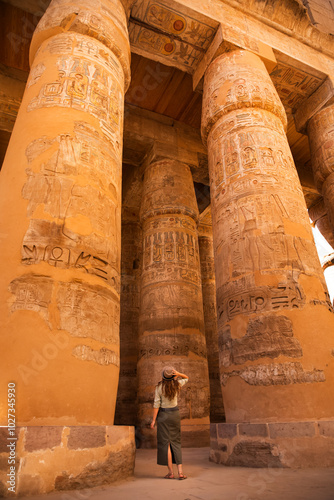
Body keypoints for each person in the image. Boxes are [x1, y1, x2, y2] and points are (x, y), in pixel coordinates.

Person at [150, 366, 188, 480]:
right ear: (173, 376)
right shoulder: (177, 385)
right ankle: (180, 472)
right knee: (176, 442)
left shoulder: (159, 387)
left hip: (163, 416)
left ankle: (171, 473)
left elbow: (156, 405)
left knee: (166, 443)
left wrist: (153, 421)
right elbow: (187, 378)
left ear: (163, 376)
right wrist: (178, 374)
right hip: (175, 414)